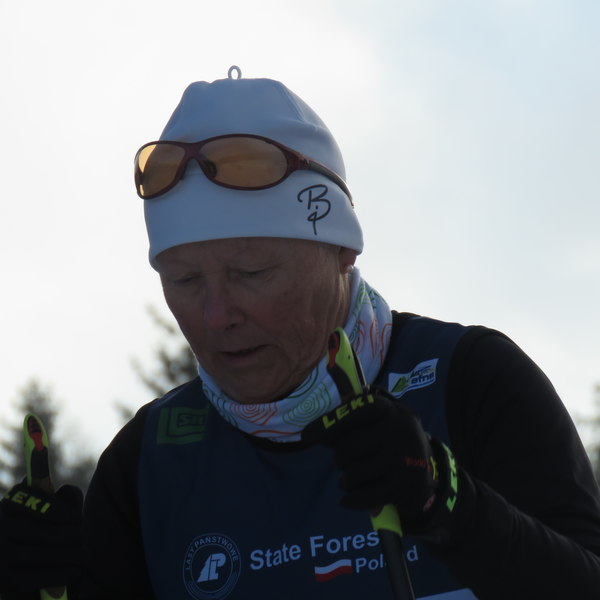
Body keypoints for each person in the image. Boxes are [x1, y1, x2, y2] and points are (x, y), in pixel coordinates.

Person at [2, 66, 600, 599]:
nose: (216, 315)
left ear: (341, 251)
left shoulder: (469, 381)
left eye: (251, 273)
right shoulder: (149, 463)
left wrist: (450, 504)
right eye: (184, 280)